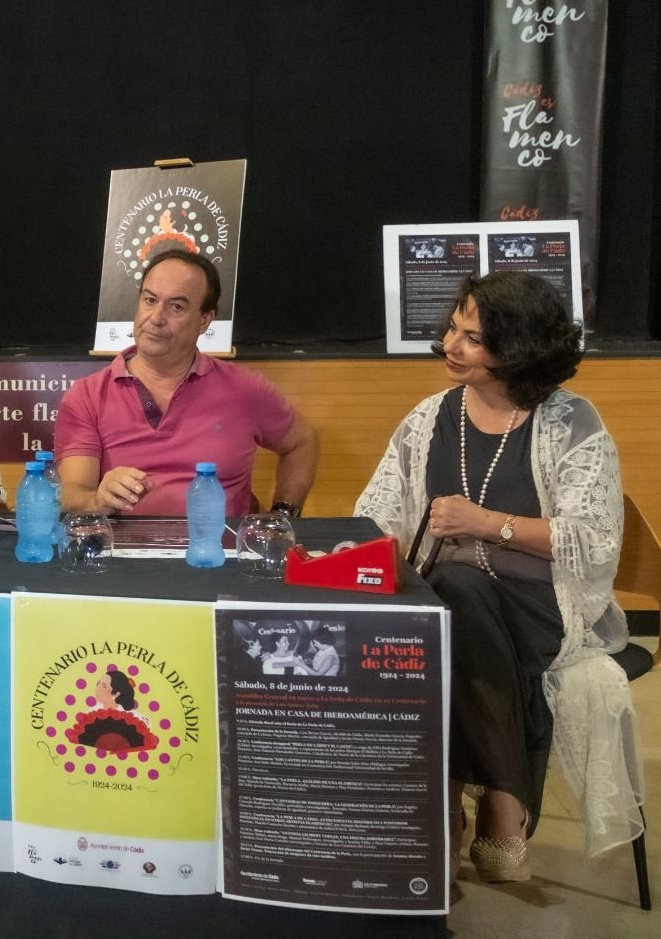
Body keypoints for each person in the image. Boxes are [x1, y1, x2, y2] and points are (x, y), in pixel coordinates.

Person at [354, 271, 638, 883]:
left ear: (520, 348)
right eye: (452, 329)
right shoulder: (430, 417)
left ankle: (451, 809)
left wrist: (486, 524)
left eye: (473, 338)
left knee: (456, 599)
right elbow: (377, 515)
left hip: (543, 605)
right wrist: (374, 553)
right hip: (460, 605)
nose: (451, 347)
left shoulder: (570, 422)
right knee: (453, 601)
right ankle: (505, 810)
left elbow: (591, 541)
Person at [54, 249, 319, 517]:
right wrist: (97, 501)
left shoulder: (245, 390)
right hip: (120, 553)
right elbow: (72, 492)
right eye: (149, 300)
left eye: (176, 307)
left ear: (204, 320)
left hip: (220, 554)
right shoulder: (86, 396)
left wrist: (283, 515)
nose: (156, 318)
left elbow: (301, 442)